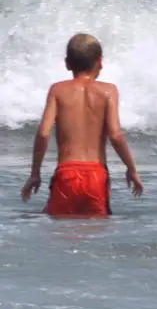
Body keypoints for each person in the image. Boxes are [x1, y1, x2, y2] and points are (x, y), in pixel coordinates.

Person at [21, 33, 143, 217]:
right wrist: (132, 170)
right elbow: (116, 135)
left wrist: (35, 173)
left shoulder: (57, 90)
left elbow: (44, 133)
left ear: (67, 63)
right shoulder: (109, 91)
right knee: (96, 233)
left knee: (60, 232)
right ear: (100, 62)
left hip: (66, 174)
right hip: (96, 175)